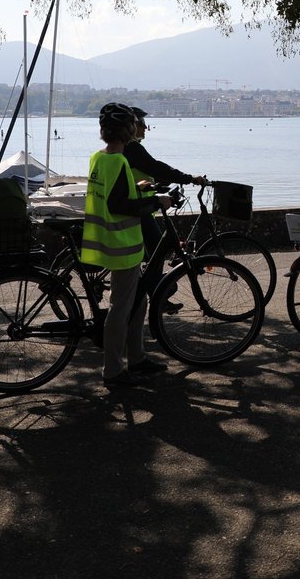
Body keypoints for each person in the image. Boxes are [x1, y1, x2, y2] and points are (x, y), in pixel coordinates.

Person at [81, 103, 172, 388]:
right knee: (120, 309)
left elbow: (114, 193)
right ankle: (113, 371)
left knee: (138, 300)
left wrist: (141, 187)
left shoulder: (98, 158)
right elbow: (121, 206)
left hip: (104, 240)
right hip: (122, 244)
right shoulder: (119, 161)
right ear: (129, 130)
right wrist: (157, 201)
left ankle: (138, 358)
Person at [124, 106, 207, 307]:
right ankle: (157, 296)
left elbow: (148, 171)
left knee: (152, 252)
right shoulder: (132, 147)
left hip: (139, 207)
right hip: (136, 209)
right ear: (133, 125)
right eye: (143, 124)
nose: (146, 128)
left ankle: (153, 292)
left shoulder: (129, 148)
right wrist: (189, 178)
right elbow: (155, 166)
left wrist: (158, 184)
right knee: (157, 250)